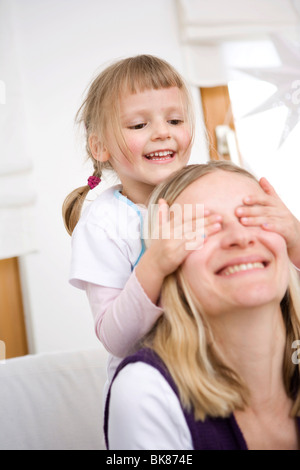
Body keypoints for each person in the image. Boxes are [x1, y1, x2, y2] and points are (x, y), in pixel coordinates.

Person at [62, 54, 300, 388]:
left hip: (229, 374)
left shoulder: (211, 191)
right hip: (163, 385)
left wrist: (294, 239)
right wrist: (154, 264)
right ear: (99, 146)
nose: (162, 133)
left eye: (175, 120)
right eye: (138, 125)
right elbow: (115, 339)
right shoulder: (105, 223)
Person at [105, 161, 300, 450]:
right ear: (171, 270)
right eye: (204, 228)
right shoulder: (146, 394)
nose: (241, 237)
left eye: (255, 218)